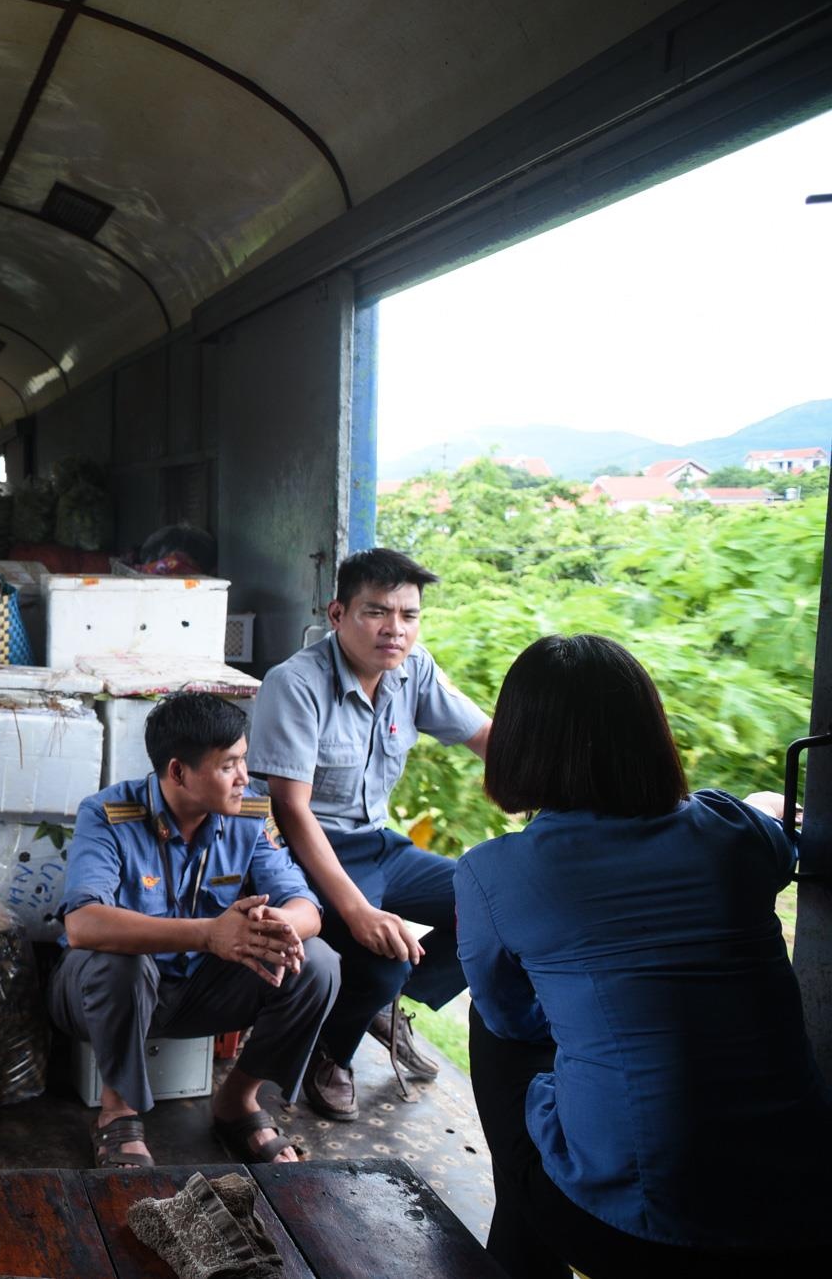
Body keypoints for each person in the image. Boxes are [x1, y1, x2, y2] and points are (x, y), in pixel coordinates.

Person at [457, 634, 829, 1277]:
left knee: (497, 1035)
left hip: (636, 1232)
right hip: (804, 1215)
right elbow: (773, 830)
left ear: (517, 742)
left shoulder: (495, 873)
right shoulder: (732, 833)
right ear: (650, 733)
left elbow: (513, 1022)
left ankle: (519, 1261)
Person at [49, 693, 340, 1168]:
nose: (244, 778)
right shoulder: (106, 814)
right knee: (119, 961)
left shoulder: (249, 813)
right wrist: (208, 934)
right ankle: (116, 1111)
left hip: (200, 991)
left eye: (244, 760)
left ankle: (239, 1100)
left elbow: (306, 904)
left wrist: (272, 927)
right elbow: (82, 924)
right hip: (100, 996)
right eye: (229, 766)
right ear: (178, 772)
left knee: (319, 963)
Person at [250, 547, 489, 1121]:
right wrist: (357, 912)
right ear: (337, 615)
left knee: (495, 899)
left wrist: (556, 790)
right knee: (380, 957)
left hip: (381, 843)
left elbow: (486, 735)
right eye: (376, 612)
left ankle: (383, 1003)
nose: (395, 629)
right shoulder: (296, 683)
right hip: (309, 848)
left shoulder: (414, 670)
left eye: (409, 615)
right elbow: (291, 810)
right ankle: (331, 1054)